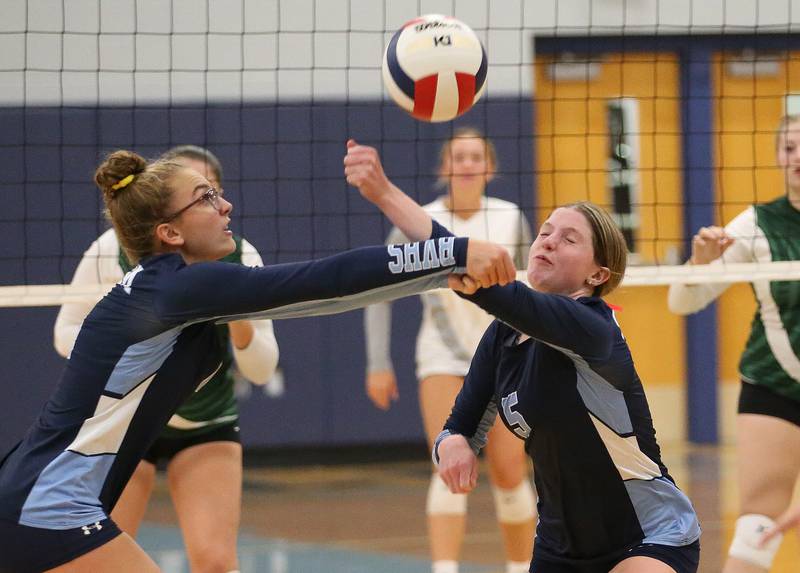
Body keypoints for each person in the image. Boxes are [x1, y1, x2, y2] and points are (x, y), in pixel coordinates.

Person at [0, 148, 516, 573]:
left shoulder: (178, 289)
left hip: (40, 495)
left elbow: (318, 300)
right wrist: (451, 254)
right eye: (206, 198)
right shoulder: (175, 286)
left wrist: (440, 271)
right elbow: (322, 280)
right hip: (49, 503)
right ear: (170, 233)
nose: (226, 207)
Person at [345, 140, 702, 573]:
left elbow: (485, 286)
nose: (548, 242)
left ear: (598, 273)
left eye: (568, 239)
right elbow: (459, 427)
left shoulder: (592, 328)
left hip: (648, 535)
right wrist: (452, 445)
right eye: (546, 232)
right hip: (559, 549)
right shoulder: (502, 340)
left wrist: (385, 194)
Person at [52, 145, 279, 573]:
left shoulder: (239, 255)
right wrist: (122, 349)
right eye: (199, 194)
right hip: (127, 423)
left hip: (205, 422)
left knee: (215, 562)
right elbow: (65, 332)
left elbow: (262, 369)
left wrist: (241, 321)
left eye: (213, 193)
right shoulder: (111, 250)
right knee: (100, 559)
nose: (216, 205)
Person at [362, 128, 536, 573]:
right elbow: (377, 289)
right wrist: (379, 363)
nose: (466, 164)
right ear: (446, 167)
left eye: (475, 156)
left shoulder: (510, 217)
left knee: (509, 473)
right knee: (450, 463)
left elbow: (532, 289)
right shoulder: (418, 219)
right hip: (442, 357)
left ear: (489, 168)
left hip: (502, 355)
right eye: (458, 156)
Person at [668, 114, 800, 573]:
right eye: (789, 147)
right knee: (757, 526)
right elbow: (682, 302)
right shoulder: (757, 223)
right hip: (773, 384)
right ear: (779, 158)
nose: (798, 155)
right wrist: (700, 263)